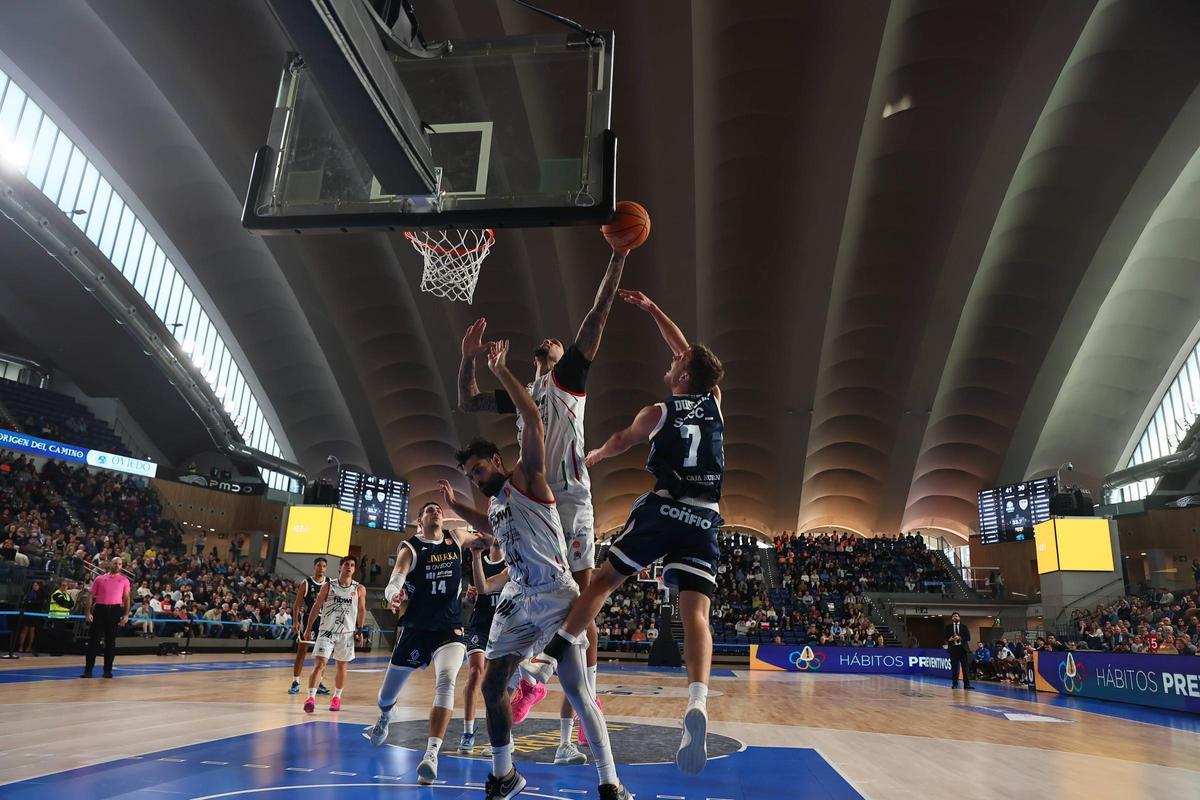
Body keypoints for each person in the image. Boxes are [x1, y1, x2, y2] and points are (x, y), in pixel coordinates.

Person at [525, 289, 725, 776]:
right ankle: (697, 702)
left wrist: (596, 456)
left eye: (676, 364)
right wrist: (657, 311)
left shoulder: (658, 412)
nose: (672, 361)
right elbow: (689, 356)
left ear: (681, 377)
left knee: (601, 583)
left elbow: (621, 439)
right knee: (696, 614)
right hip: (706, 515)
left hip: (665, 508)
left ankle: (546, 664)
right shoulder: (716, 403)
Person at [441, 340, 631, 800]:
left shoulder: (529, 477)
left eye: (478, 469)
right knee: (491, 686)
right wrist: (456, 506)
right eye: (469, 474)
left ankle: (611, 783)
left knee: (580, 692)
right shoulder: (499, 505)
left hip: (555, 597)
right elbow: (491, 523)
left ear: (498, 462)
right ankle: (504, 775)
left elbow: (533, 419)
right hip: (521, 601)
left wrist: (502, 370)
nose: (475, 477)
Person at [458, 244, 628, 747]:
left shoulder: (568, 378)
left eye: (555, 345)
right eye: (544, 346)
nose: (550, 342)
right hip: (532, 506)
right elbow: (466, 399)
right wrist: (468, 358)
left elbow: (596, 317)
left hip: (570, 500)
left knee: (583, 598)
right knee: (557, 601)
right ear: (536, 364)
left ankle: (565, 692)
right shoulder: (523, 395)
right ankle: (537, 678)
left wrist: (616, 256)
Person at [364, 501, 480, 785]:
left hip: (449, 628)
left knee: (447, 680)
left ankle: (431, 754)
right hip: (416, 629)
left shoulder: (457, 538)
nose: (436, 511)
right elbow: (396, 579)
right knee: (385, 696)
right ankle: (384, 717)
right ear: (420, 521)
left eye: (437, 509)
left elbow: (487, 536)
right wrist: (392, 594)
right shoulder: (411, 547)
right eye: (429, 510)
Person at [458, 536, 508, 755]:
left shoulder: (510, 564)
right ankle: (468, 732)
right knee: (475, 673)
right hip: (480, 626)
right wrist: (469, 598)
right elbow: (470, 601)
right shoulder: (479, 562)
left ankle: (502, 734)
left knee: (500, 684)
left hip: (504, 628)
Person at [301, 556, 366, 713]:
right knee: (320, 664)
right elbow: (316, 607)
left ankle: (337, 697)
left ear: (354, 569)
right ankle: (311, 698)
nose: (349, 567)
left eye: (352, 565)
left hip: (347, 633)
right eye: (346, 565)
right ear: (340, 567)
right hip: (327, 631)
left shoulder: (359, 588)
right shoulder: (329, 586)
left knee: (342, 666)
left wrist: (361, 630)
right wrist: (308, 628)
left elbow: (362, 610)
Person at [82, 557, 131, 679]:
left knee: (110, 642)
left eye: (120, 564)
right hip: (100, 609)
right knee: (94, 640)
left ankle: (107, 670)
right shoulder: (100, 578)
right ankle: (88, 670)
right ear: (110, 564)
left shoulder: (124, 580)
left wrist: (126, 614)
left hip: (114, 610)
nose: (118, 566)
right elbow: (90, 595)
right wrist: (88, 612)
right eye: (116, 563)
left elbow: (126, 598)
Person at [289, 557, 330, 695]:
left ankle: (318, 682)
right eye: (319, 565)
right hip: (308, 620)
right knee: (302, 652)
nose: (321, 568)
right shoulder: (306, 583)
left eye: (324, 566)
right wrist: (295, 621)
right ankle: (295, 681)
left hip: (324, 621)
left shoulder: (330, 583)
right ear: (314, 567)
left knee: (323, 655)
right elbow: (297, 604)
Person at [944, 612, 971, 689]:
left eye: (956, 616)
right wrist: (949, 639)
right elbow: (945, 637)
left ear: (959, 617)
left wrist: (960, 638)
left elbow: (968, 638)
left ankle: (967, 684)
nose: (955, 617)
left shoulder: (964, 627)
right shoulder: (948, 627)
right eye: (953, 616)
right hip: (953, 649)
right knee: (954, 668)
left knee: (965, 668)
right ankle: (954, 684)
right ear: (952, 618)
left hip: (962, 649)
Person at [18, 579, 45, 654]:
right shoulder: (30, 593)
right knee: (25, 629)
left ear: (39, 586)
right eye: (33, 585)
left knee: (32, 630)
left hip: (35, 614)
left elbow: (38, 603)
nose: (34, 586)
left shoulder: (41, 594)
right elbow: (26, 602)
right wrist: (29, 602)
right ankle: (21, 646)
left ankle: (29, 647)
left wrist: (30, 602)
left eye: (36, 585)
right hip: (27, 613)